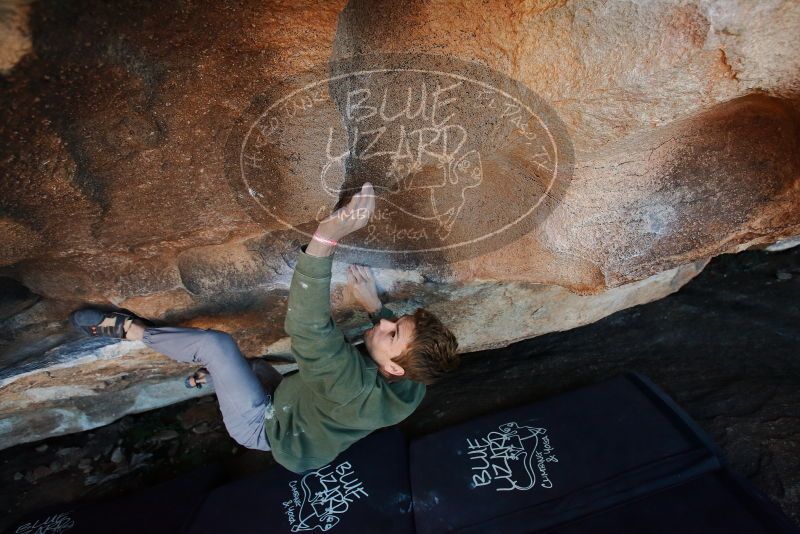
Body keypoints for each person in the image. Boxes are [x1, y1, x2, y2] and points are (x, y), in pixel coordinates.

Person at [70, 182, 459, 474]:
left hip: (266, 429)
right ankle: (213, 379)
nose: (387, 322)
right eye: (396, 321)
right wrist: (376, 310)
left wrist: (325, 237)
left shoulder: (351, 387)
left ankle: (130, 331)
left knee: (219, 349)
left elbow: (309, 328)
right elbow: (395, 347)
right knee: (253, 367)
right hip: (295, 405)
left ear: (392, 368)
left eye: (391, 332)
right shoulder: (413, 384)